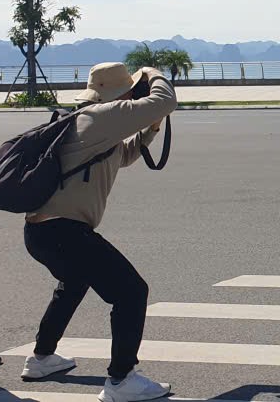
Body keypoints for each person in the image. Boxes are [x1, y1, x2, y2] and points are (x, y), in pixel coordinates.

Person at [21, 63, 177, 402]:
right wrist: (154, 74)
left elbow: (123, 157)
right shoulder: (103, 116)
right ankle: (121, 381)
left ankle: (42, 358)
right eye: (131, 91)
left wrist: (150, 129)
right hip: (64, 232)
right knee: (131, 292)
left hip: (42, 233)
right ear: (118, 94)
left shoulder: (87, 121)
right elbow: (166, 100)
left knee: (75, 281)